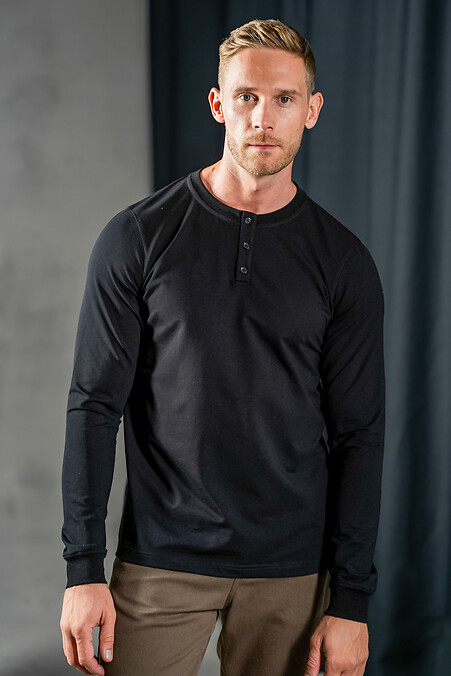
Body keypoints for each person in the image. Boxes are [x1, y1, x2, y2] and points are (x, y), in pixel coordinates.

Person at [60, 17, 385, 676]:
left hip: (293, 572)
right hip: (160, 560)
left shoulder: (343, 262)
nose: (263, 117)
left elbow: (359, 435)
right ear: (218, 104)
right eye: (246, 96)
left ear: (311, 110)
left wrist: (351, 601)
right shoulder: (138, 238)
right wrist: (82, 569)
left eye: (284, 98)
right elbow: (94, 407)